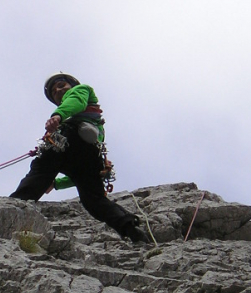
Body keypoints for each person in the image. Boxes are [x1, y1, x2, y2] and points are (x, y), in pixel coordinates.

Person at [10, 73, 148, 243]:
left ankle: (13, 208)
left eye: (61, 85)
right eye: (54, 91)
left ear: (72, 85)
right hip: (88, 155)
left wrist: (58, 115)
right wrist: (57, 184)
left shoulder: (81, 91)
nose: (58, 90)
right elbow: (80, 174)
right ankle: (131, 230)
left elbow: (76, 101)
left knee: (41, 172)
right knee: (94, 200)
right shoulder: (91, 121)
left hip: (67, 140)